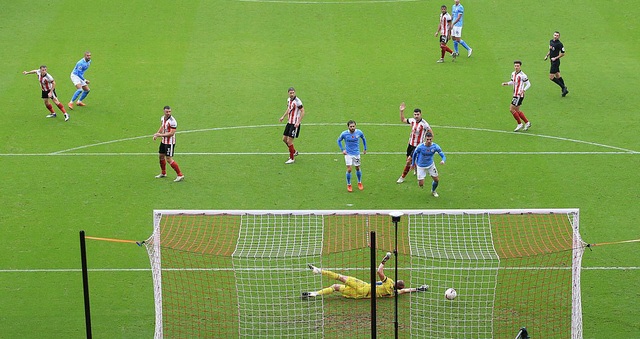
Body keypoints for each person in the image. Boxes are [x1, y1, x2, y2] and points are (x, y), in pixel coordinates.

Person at [302, 252, 429, 299]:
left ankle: (318, 271)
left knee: (340, 277)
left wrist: (385, 259)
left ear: (396, 283)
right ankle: (314, 294)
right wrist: (419, 288)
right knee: (335, 286)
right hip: (360, 295)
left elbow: (379, 271)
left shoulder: (388, 283)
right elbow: (406, 290)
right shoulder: (394, 293)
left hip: (363, 286)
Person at [397, 102, 433, 184]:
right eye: (415, 114)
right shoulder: (412, 120)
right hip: (410, 144)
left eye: (417, 114)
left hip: (418, 146)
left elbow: (431, 133)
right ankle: (417, 169)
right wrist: (401, 111)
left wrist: (428, 143)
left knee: (409, 161)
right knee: (408, 159)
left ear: (420, 114)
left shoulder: (424, 124)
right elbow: (403, 120)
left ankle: (402, 177)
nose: (416, 116)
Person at [153, 106, 185, 182]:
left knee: (168, 159)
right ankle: (163, 173)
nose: (168, 113)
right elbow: (162, 127)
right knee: (161, 156)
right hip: (163, 141)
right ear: (164, 111)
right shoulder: (162, 118)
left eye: (169, 111)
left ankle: (180, 175)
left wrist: (160, 135)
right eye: (167, 112)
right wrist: (157, 134)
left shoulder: (173, 121)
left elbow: (171, 133)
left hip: (170, 143)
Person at [411, 132, 446, 198]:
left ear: (432, 138)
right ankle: (420, 179)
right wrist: (413, 164)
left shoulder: (435, 146)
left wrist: (443, 160)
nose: (429, 141)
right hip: (421, 166)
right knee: (421, 184)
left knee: (436, 180)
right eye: (427, 139)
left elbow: (443, 155)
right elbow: (414, 154)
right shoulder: (420, 147)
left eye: (430, 139)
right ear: (425, 139)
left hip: (430, 165)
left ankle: (433, 191)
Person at [337, 120, 367, 192]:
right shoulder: (344, 134)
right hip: (348, 154)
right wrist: (342, 149)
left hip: (356, 153)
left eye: (353, 126)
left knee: (357, 168)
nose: (352, 128)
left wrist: (365, 148)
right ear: (348, 127)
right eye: (351, 126)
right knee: (349, 169)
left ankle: (359, 182)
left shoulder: (359, 132)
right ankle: (349, 184)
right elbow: (338, 140)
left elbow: (363, 138)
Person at [501, 60, 532, 132]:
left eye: (517, 66)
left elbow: (528, 84)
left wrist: (523, 90)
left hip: (518, 95)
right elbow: (513, 82)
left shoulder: (523, 75)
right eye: (515, 66)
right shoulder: (513, 73)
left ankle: (519, 124)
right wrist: (506, 83)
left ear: (520, 66)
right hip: (515, 94)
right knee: (517, 110)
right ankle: (527, 123)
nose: (516, 67)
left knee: (511, 109)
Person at [279, 87, 305, 164]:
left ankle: (292, 158)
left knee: (289, 141)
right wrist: (283, 116)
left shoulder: (298, 101)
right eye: (291, 93)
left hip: (295, 124)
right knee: (284, 139)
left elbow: (303, 111)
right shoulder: (288, 100)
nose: (292, 94)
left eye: (293, 92)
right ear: (288, 93)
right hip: (289, 122)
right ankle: (294, 151)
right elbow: (289, 109)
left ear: (295, 93)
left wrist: (298, 122)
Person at [544, 31, 569, 97]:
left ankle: (563, 87)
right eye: (555, 35)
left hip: (555, 62)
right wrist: (547, 55)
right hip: (552, 61)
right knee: (558, 75)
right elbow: (550, 50)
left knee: (551, 77)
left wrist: (555, 58)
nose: (555, 36)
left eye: (557, 35)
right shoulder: (551, 41)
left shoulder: (559, 44)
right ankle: (564, 89)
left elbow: (563, 53)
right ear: (553, 35)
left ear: (559, 36)